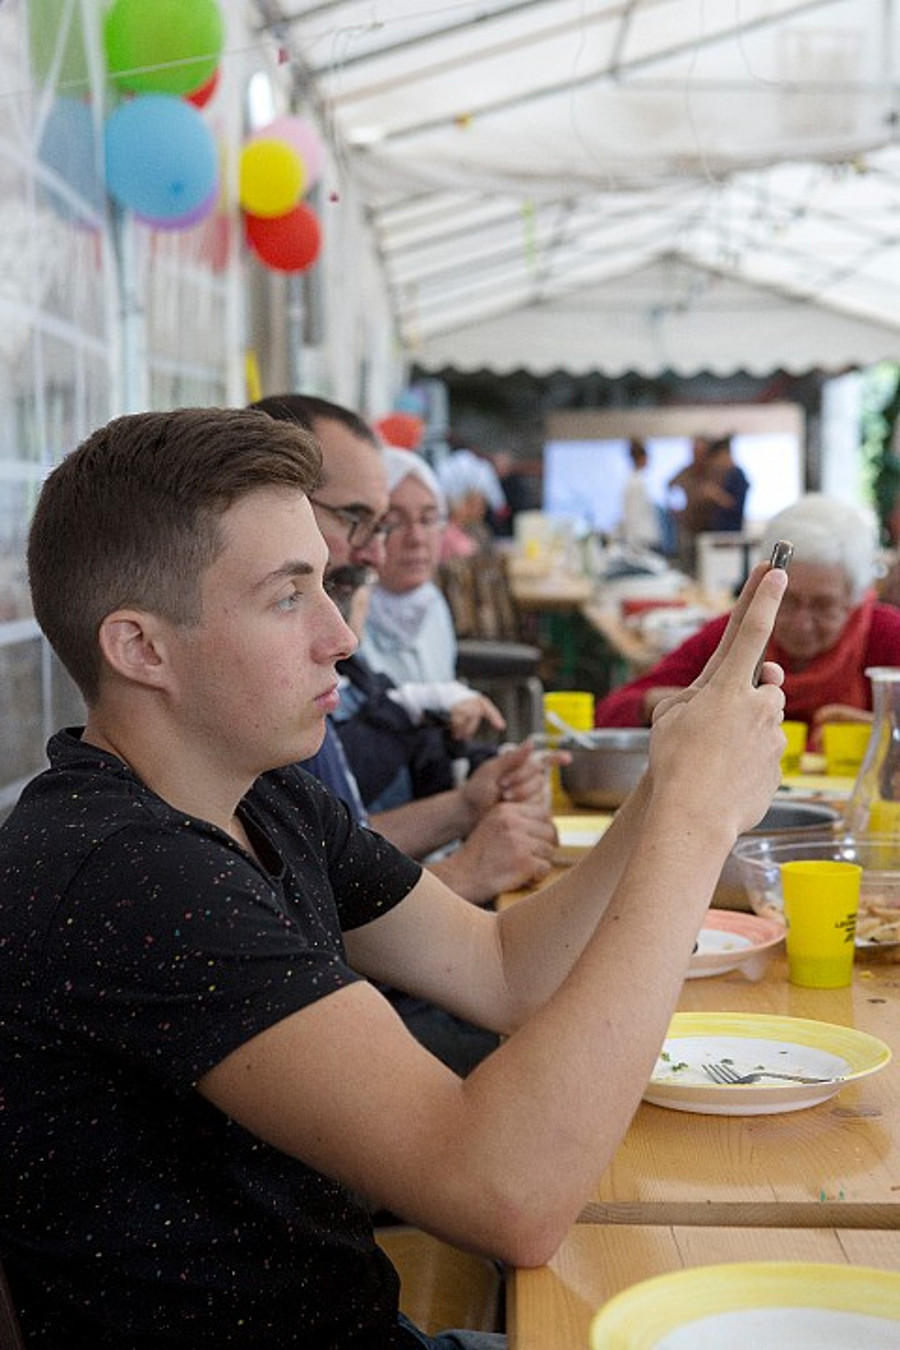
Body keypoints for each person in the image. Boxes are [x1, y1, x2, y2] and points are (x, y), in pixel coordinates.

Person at [0, 404, 789, 1348]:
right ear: (140, 648)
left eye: (326, 585)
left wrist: (665, 786)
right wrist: (697, 824)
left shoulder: (258, 793)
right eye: (289, 596)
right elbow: (509, 1194)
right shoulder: (126, 872)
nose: (339, 634)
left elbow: (505, 968)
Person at [249, 395, 558, 907]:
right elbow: (303, 920)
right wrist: (464, 873)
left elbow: (333, 856)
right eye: (359, 518)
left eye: (423, 520)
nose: (382, 550)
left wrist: (465, 804)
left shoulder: (326, 658)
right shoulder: (252, 691)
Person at [594, 492, 900, 748]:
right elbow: (610, 714)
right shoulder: (739, 634)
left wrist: (887, 727)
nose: (802, 623)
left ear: (855, 599)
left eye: (823, 607)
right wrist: (668, 703)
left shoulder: (887, 635)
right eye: (786, 601)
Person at [361, 446, 461, 686]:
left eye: (428, 520)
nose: (416, 538)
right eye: (393, 522)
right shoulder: (348, 613)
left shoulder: (430, 602)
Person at [667, 435, 713, 575]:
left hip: (709, 529)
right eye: (695, 451)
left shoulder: (712, 471)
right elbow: (669, 487)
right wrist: (675, 510)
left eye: (701, 451)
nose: (698, 455)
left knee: (707, 569)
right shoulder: (685, 472)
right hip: (688, 528)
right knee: (687, 569)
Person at [619, 439, 661, 552]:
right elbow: (632, 514)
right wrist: (633, 542)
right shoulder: (634, 483)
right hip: (640, 540)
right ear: (641, 458)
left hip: (644, 538)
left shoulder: (639, 480)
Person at [705, 435, 750, 533]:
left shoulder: (737, 475)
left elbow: (734, 504)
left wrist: (715, 494)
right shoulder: (726, 475)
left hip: (731, 532)